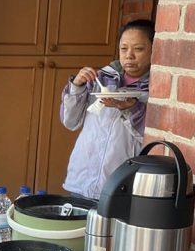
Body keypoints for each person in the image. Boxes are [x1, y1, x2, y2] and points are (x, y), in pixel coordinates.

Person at [60, 19, 154, 200]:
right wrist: (77, 86)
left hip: (121, 185)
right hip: (81, 177)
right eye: (124, 48)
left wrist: (133, 109)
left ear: (154, 50)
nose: (129, 56)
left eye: (138, 49)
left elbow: (152, 140)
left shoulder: (157, 89)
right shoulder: (100, 79)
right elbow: (70, 121)